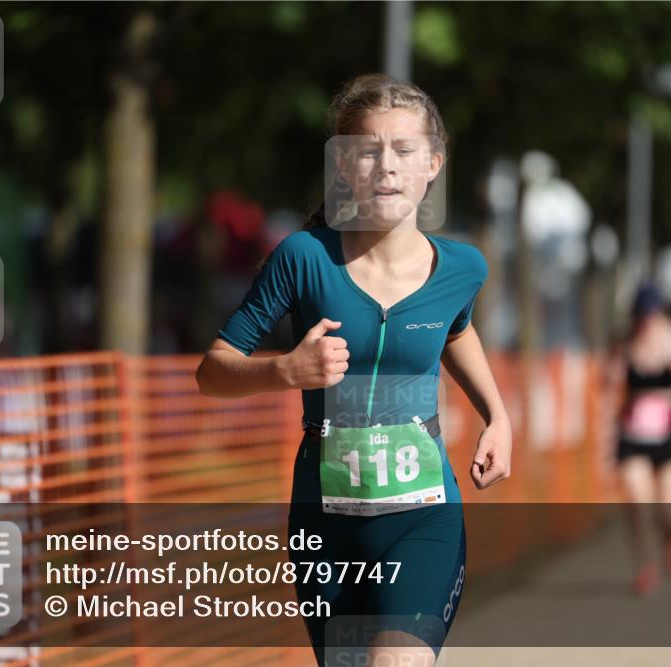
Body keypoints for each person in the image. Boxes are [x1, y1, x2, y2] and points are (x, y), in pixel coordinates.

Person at [196, 73, 511, 666]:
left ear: (433, 165)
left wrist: (498, 417)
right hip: (326, 520)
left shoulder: (462, 269)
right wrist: (285, 371)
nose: (386, 167)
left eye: (404, 151)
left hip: (423, 519)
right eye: (368, 151)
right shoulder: (304, 259)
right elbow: (213, 371)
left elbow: (457, 331)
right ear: (343, 166)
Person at [611, 283, 671, 596]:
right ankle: (646, 567)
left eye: (652, 314)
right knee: (636, 502)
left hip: (667, 433)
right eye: (642, 315)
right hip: (633, 433)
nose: (647, 320)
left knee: (666, 509)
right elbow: (609, 383)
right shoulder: (625, 343)